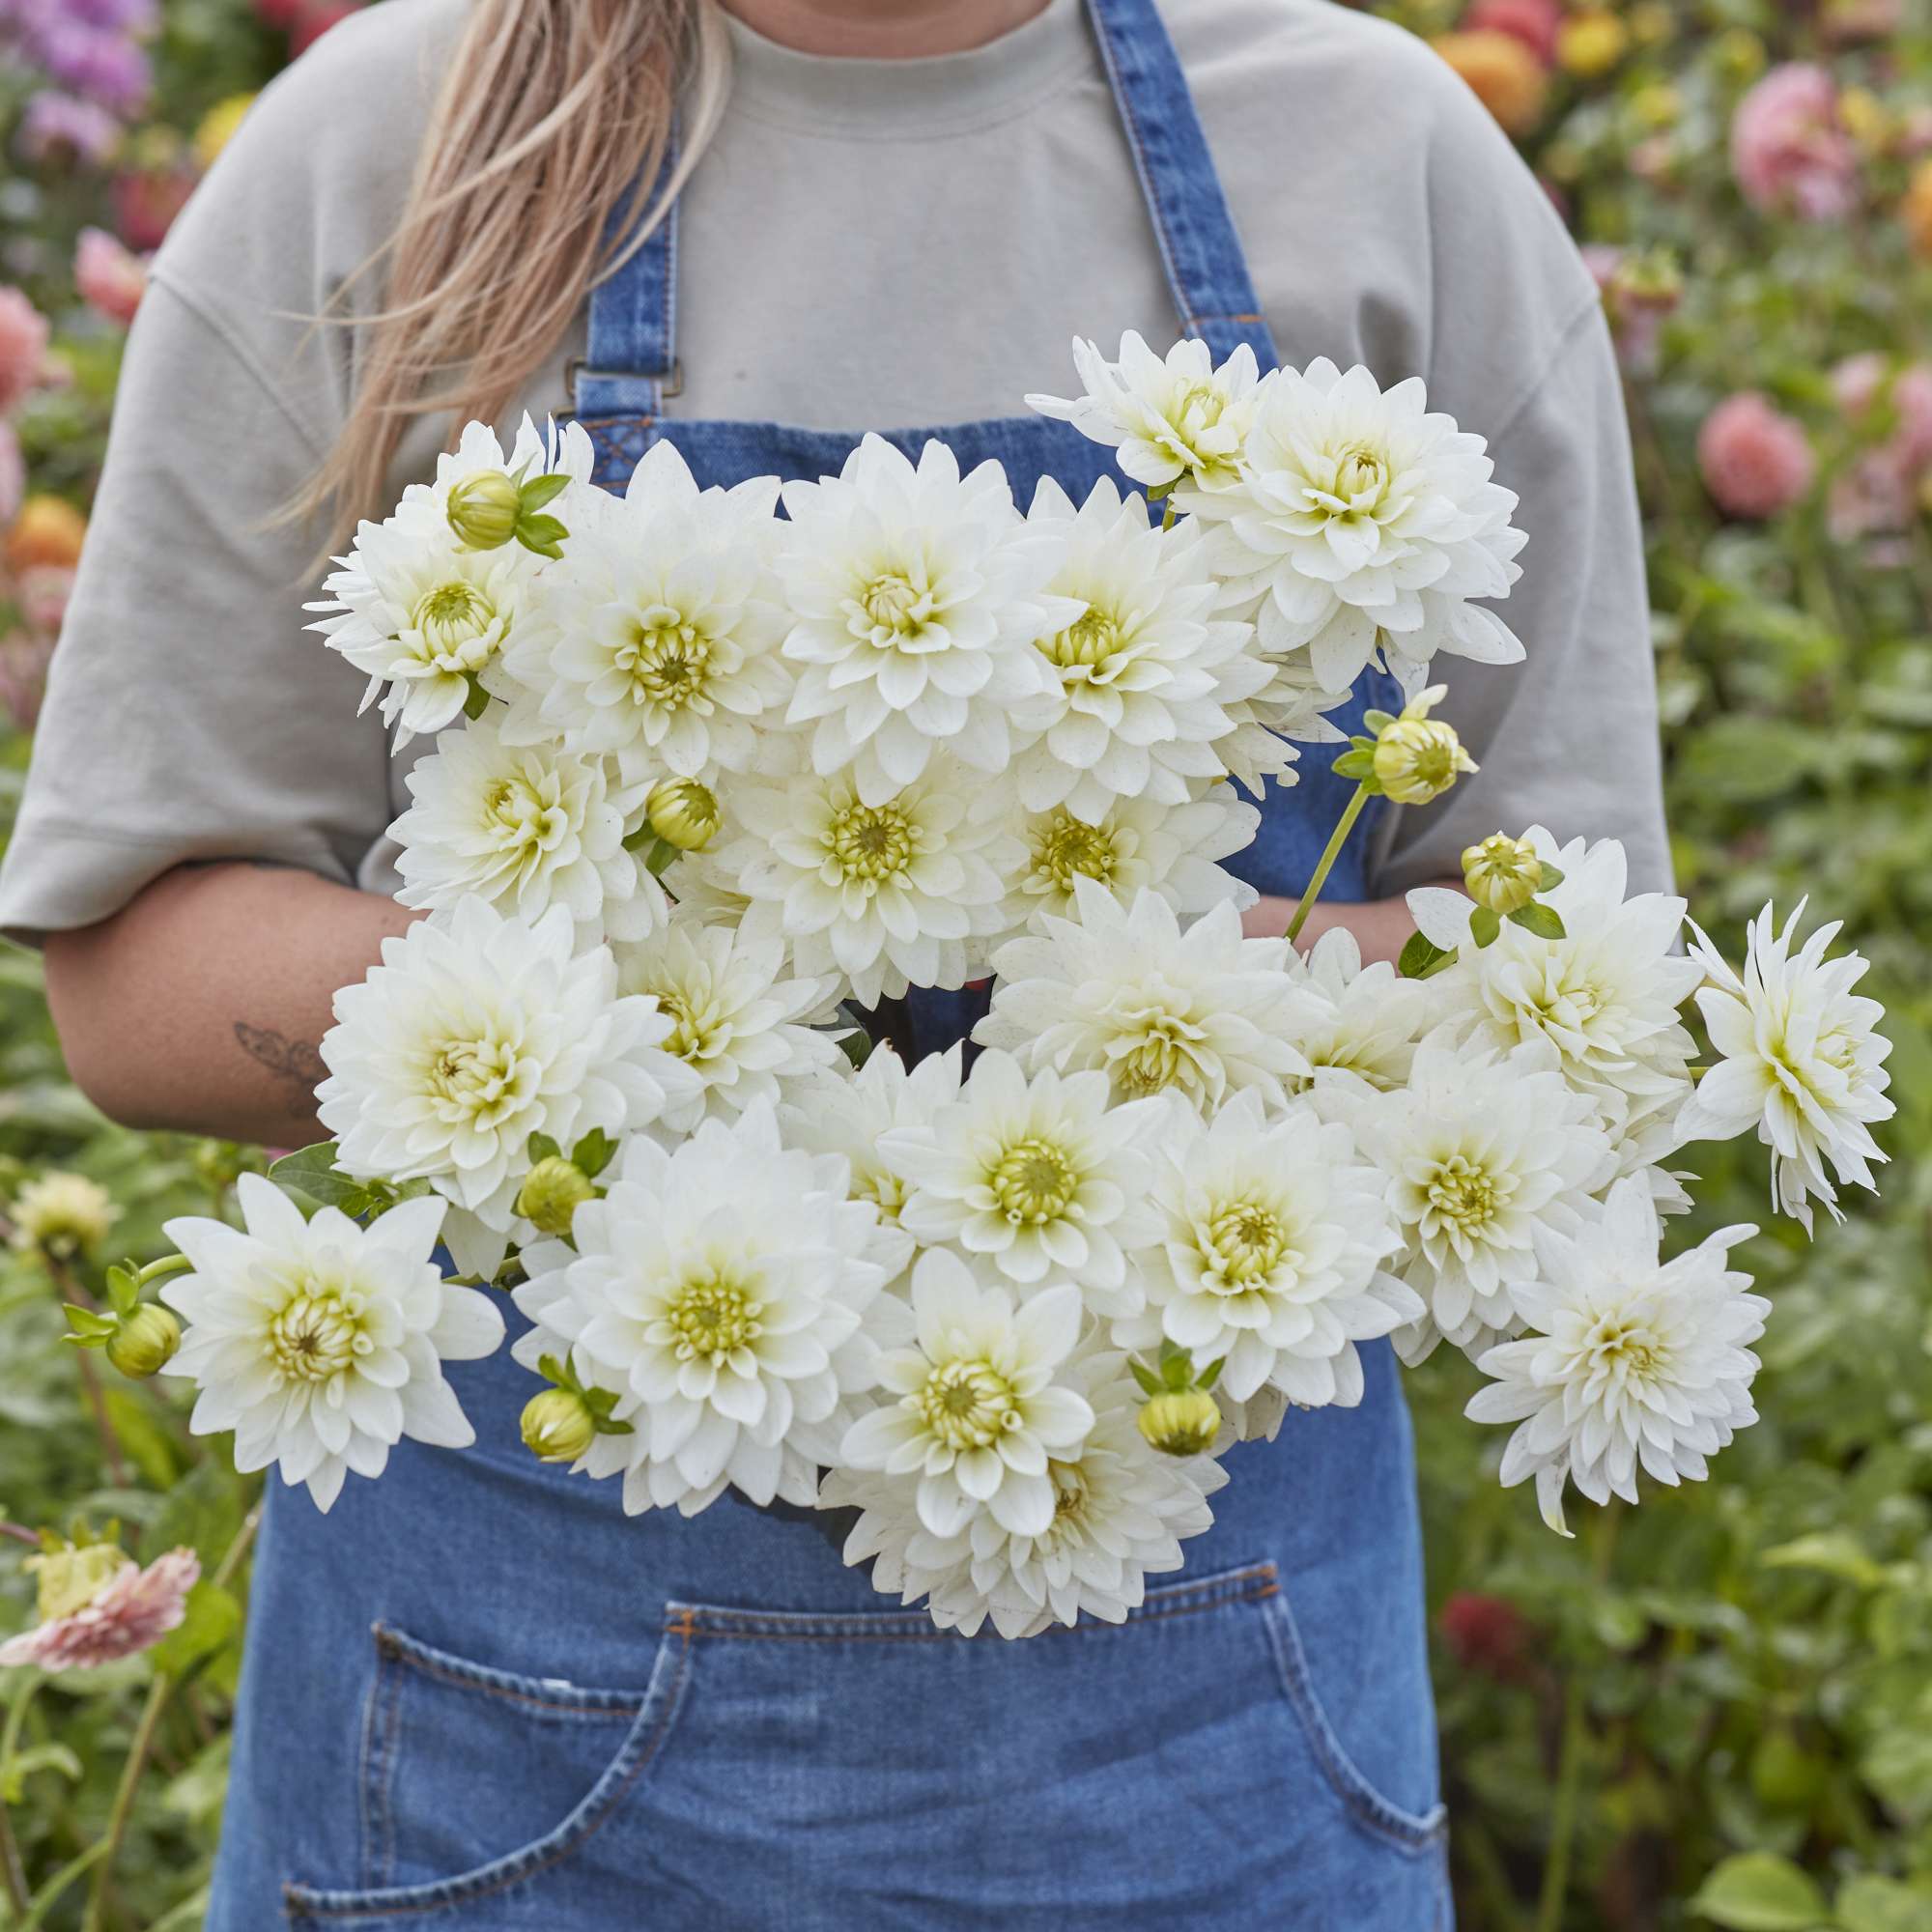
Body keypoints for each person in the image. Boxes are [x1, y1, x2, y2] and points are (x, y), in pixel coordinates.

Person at [0, 0, 1668, 1922]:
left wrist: (1126, 997)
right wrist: (679, 1007)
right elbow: (135, 979)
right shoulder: (389, 148)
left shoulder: (1372, 153)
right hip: (498, 1731)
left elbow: (1585, 974)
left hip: (1204, 1712)